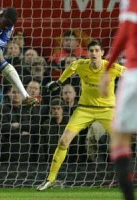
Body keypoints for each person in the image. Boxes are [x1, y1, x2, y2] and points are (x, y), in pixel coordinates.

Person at [37, 40, 125, 191]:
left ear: (102, 53)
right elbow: (71, 68)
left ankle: (126, 178)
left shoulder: (111, 67)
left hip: (108, 110)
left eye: (97, 50)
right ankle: (50, 179)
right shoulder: (81, 64)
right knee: (64, 141)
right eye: (91, 51)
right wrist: (59, 82)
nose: (94, 54)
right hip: (84, 109)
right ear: (88, 53)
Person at [100, 0, 137, 199]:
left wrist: (108, 68)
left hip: (134, 74)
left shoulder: (131, 4)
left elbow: (124, 34)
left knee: (119, 139)